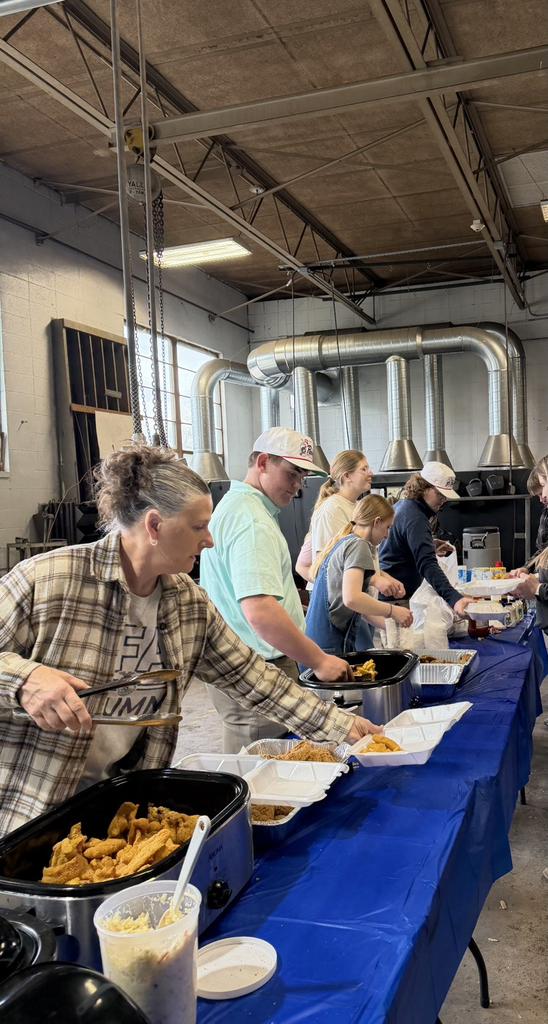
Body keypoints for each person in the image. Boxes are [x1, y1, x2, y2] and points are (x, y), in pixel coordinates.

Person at [0, 446, 380, 837]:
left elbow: (253, 678)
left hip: (122, 812)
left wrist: (340, 725)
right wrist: (24, 680)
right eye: (199, 527)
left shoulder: (187, 604)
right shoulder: (48, 582)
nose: (210, 541)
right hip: (35, 813)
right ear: (154, 526)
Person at [199, 428, 356, 753]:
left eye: (302, 475)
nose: (298, 484)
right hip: (258, 662)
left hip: (238, 658)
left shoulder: (233, 506)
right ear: (262, 462)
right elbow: (260, 610)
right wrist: (319, 660)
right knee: (262, 763)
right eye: (291, 472)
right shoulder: (251, 521)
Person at [304, 495, 412, 659]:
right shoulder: (358, 545)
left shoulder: (346, 542)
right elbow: (352, 599)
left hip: (319, 645)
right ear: (376, 522)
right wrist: (392, 611)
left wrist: (391, 626)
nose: (386, 536)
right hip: (329, 647)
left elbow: (357, 607)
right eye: (387, 528)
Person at [378, 461, 471, 616]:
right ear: (423, 488)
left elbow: (399, 547)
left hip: (393, 595)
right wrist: (454, 598)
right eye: (440, 494)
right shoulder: (416, 517)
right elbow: (427, 564)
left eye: (445, 496)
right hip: (396, 598)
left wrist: (429, 545)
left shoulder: (404, 506)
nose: (443, 500)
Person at [506, 462, 548, 577]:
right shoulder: (546, 512)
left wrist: (538, 588)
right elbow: (542, 550)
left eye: (543, 487)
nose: (542, 499)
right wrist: (526, 568)